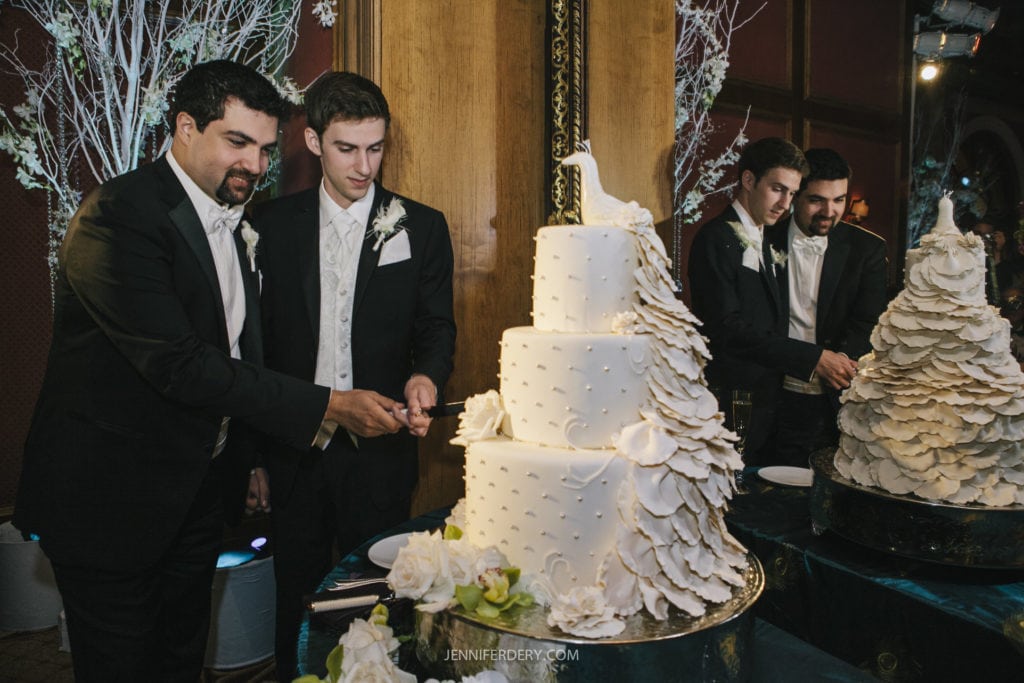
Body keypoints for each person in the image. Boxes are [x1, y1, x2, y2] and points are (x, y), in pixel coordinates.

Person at [12, 60, 390, 682]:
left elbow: (240, 354)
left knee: (182, 658)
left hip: (194, 495)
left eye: (266, 149)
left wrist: (245, 460)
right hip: (111, 501)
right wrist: (329, 404)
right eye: (237, 142)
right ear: (185, 127)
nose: (255, 165)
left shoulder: (231, 219)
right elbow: (182, 366)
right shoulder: (118, 217)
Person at [253, 71, 456, 682]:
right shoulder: (269, 226)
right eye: (347, 148)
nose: (364, 166)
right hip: (294, 450)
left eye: (376, 148)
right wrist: (255, 456)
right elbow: (253, 353)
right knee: (297, 598)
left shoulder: (420, 226)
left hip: (380, 451)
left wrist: (426, 376)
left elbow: (436, 328)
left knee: (380, 600)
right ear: (313, 142)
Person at [687, 137, 857, 465]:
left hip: (766, 406)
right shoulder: (716, 238)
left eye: (792, 193)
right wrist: (812, 357)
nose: (785, 204)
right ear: (749, 180)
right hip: (729, 401)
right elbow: (726, 328)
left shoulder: (764, 236)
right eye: (778, 189)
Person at [765, 148, 888, 467]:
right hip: (771, 393)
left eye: (839, 200)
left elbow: (868, 323)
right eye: (817, 200)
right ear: (795, 196)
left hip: (836, 399)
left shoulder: (868, 249)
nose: (829, 211)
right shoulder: (762, 238)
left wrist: (837, 364)